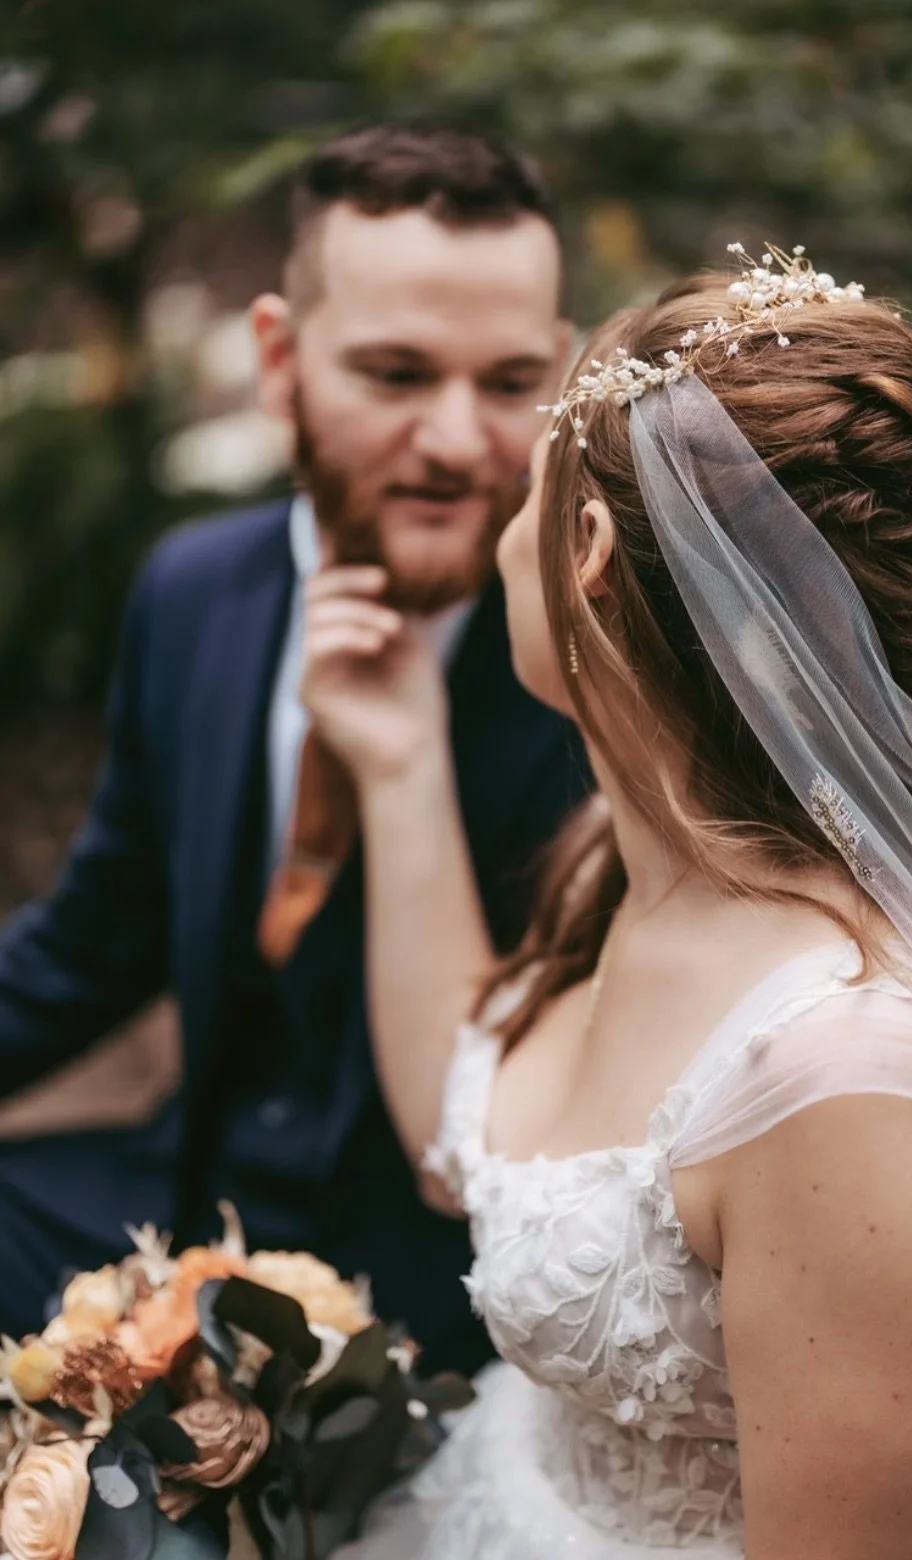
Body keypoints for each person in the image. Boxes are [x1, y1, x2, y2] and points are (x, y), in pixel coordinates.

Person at [306, 254, 912, 1557]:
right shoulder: (640, 856)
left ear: (585, 551)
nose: (501, 515)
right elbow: (466, 1127)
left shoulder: (852, 1072)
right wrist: (397, 761)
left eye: (533, 482)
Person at [0, 123, 583, 1379]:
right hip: (190, 1206)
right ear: (279, 361)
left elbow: (818, 1028)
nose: (454, 442)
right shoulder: (193, 590)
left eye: (507, 381)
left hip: (476, 1310)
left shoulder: (618, 660)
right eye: (394, 373)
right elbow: (93, 944)